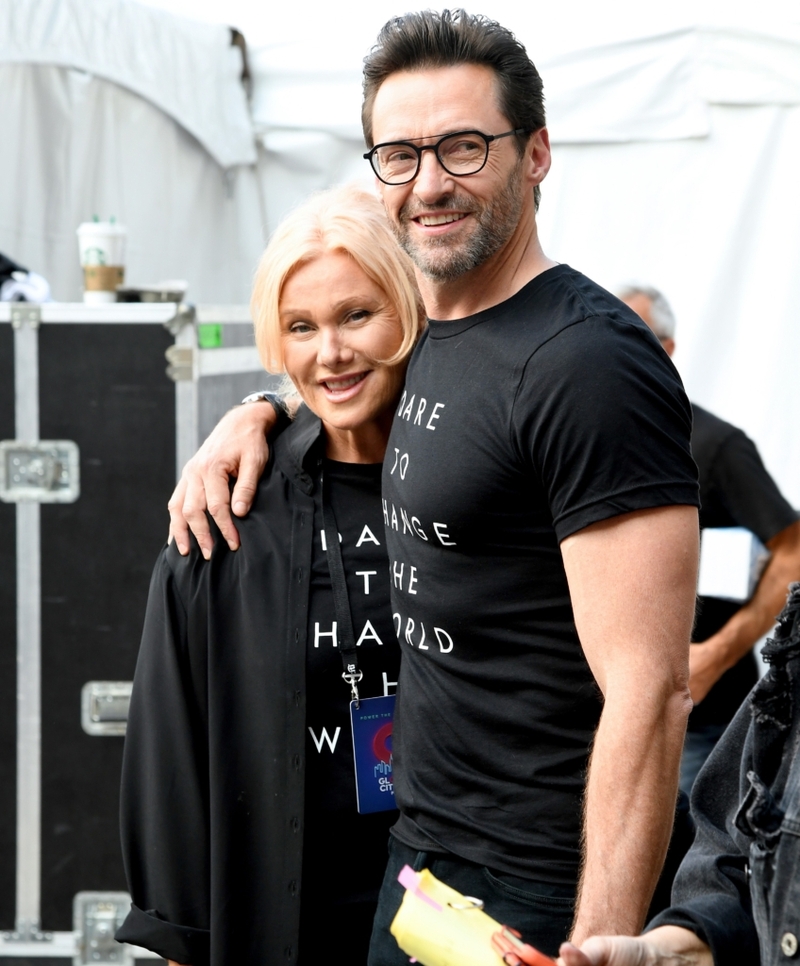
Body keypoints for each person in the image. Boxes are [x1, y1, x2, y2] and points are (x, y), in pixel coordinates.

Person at [168, 11, 701, 959]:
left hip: (538, 884)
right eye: (400, 154)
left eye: (464, 146)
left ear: (536, 152)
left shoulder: (585, 363)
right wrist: (255, 410)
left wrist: (600, 936)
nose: (429, 182)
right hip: (423, 864)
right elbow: (342, 354)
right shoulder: (439, 324)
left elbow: (651, 691)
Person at [114, 186, 425, 966]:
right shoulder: (225, 515)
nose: (332, 353)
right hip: (282, 926)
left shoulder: (476, 482)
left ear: (409, 309)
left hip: (453, 914)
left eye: (357, 316)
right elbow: (172, 757)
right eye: (301, 327)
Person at [559, 582, 800, 966]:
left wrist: (716, 654)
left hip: (706, 720)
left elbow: (789, 545)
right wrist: (675, 949)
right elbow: (737, 858)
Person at [620, 284, 800, 793]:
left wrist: (715, 655)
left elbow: (794, 552)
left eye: (638, 337)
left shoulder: (717, 446)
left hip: (701, 721)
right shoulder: (587, 441)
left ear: (668, 349)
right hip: (604, 714)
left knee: (693, 868)